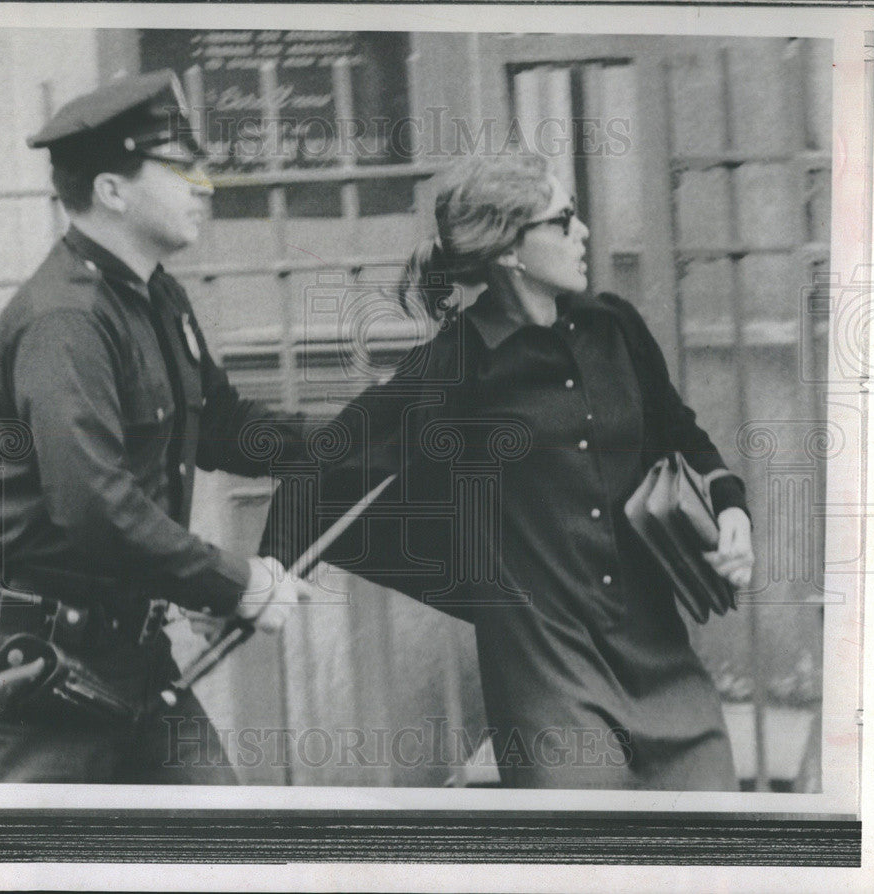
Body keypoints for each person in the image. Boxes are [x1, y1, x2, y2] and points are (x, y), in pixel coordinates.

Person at [262, 152, 755, 789]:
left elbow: (681, 435)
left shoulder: (616, 328)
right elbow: (325, 463)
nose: (583, 233)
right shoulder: (456, 364)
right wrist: (264, 573)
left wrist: (732, 509)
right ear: (509, 251)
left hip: (661, 659)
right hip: (549, 678)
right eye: (564, 220)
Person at [0, 70, 316, 783]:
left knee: (233, 864)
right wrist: (236, 585)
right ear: (111, 190)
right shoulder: (66, 321)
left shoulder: (153, 292)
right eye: (181, 166)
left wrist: (366, 437)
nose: (204, 185)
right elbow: (94, 506)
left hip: (128, 660)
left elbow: (224, 425)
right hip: (26, 680)